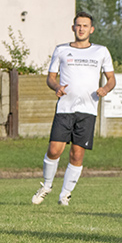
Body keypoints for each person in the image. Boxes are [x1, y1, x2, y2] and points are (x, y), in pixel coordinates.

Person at [32, 12, 115, 206]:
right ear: (73, 28)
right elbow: (51, 77)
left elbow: (111, 79)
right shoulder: (61, 50)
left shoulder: (101, 51)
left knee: (77, 154)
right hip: (65, 108)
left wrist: (105, 89)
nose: (81, 29)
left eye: (85, 26)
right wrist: (56, 87)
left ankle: (65, 195)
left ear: (91, 29)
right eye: (78, 25)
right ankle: (46, 186)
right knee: (54, 150)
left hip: (88, 110)